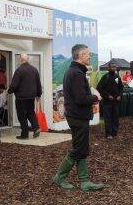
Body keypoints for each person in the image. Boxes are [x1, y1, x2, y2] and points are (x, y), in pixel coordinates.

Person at [53, 44, 103, 191]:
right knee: (78, 149)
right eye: (88, 54)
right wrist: (96, 97)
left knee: (81, 147)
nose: (90, 56)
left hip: (77, 116)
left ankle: (84, 181)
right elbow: (81, 99)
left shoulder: (75, 71)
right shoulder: (76, 73)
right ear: (81, 55)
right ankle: (59, 177)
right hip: (78, 117)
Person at [8, 53, 42, 139]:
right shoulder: (34, 70)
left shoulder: (19, 70)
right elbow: (38, 83)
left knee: (22, 115)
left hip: (21, 97)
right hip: (31, 97)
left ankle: (24, 134)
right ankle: (36, 128)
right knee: (31, 112)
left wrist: (9, 91)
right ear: (27, 59)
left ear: (20, 60)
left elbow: (14, 85)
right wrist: (38, 94)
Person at [97, 63, 123, 139]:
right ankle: (108, 134)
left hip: (116, 102)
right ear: (108, 68)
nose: (114, 68)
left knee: (115, 117)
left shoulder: (117, 77)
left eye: (114, 67)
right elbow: (99, 88)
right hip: (107, 102)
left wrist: (120, 95)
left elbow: (121, 87)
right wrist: (107, 96)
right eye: (112, 67)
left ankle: (114, 132)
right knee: (107, 118)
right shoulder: (105, 77)